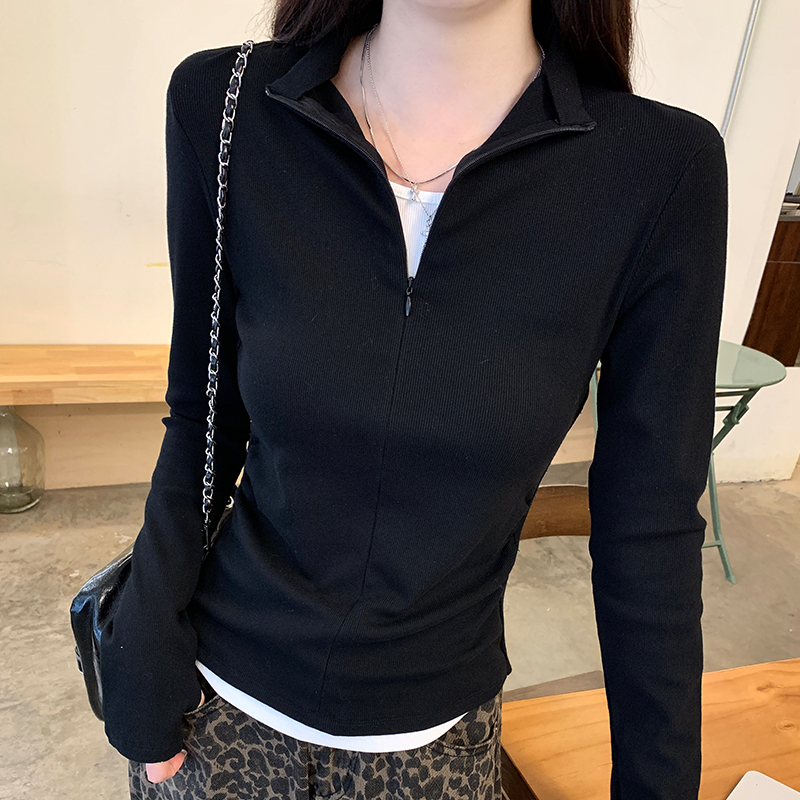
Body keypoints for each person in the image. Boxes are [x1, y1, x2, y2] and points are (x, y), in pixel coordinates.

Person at [98, 0, 729, 796]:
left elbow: (650, 523)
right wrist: (141, 637)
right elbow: (203, 410)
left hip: (435, 749)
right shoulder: (226, 104)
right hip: (212, 717)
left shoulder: (660, 169)